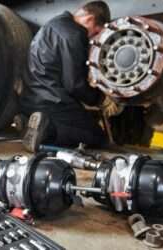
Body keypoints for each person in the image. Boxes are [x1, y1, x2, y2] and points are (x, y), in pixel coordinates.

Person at [20, 1, 111, 152]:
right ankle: (47, 130)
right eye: (95, 33)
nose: (92, 39)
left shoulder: (54, 23)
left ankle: (27, 121)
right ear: (89, 19)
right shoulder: (74, 34)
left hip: (31, 97)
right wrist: (101, 99)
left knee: (82, 120)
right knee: (98, 137)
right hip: (51, 101)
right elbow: (74, 85)